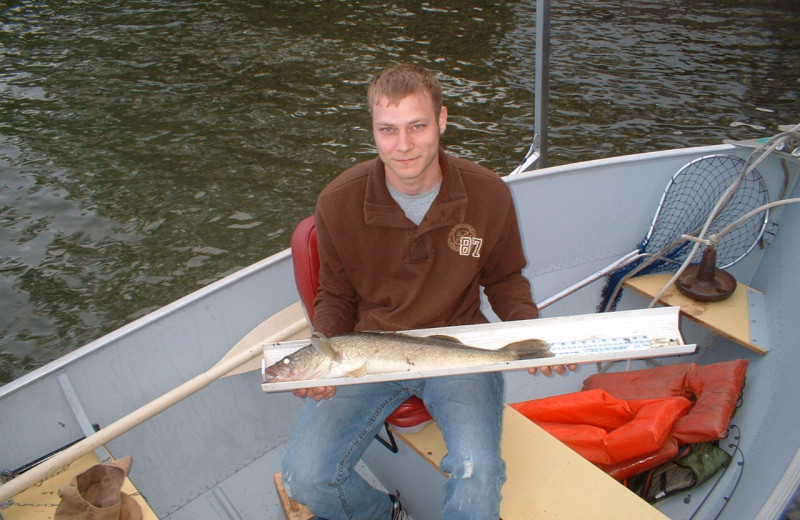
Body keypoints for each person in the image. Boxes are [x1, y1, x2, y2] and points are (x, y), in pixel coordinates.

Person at [281, 63, 574, 520]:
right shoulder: (337, 201)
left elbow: (504, 279)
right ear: (373, 131)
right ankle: (387, 514)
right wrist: (324, 359)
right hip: (370, 348)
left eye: (417, 126)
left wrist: (531, 332)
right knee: (305, 476)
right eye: (388, 130)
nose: (403, 146)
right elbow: (335, 297)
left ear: (441, 120)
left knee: (478, 475)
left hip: (457, 345)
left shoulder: (488, 194)